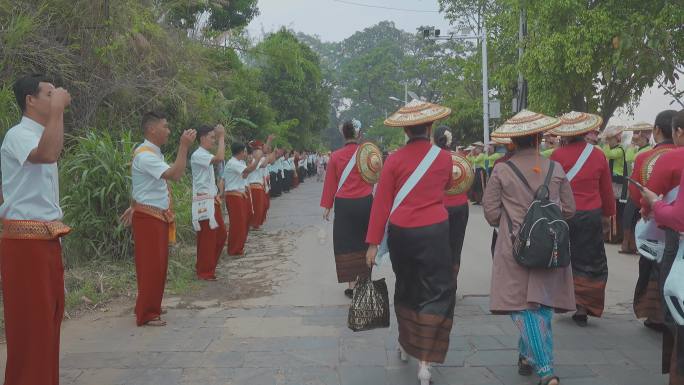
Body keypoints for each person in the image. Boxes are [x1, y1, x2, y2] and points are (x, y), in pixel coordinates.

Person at [483, 110, 575, 385]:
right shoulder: (556, 169)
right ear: (538, 139)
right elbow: (569, 209)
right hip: (551, 246)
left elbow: (490, 213)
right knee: (542, 301)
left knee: (520, 306)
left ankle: (546, 370)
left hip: (515, 246)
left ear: (513, 140)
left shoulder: (502, 169)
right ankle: (526, 355)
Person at [365, 100, 454, 385]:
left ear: (405, 129)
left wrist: (372, 244)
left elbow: (381, 204)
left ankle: (405, 343)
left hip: (402, 232)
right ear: (430, 127)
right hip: (436, 232)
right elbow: (448, 187)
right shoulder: (444, 158)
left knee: (406, 286)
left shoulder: (393, 160)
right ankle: (425, 363)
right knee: (436, 290)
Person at [0, 74, 71, 385]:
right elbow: (47, 154)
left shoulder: (42, 133)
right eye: (48, 93)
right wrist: (58, 111)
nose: (54, 97)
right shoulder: (18, 134)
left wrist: (55, 114)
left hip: (44, 238)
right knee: (32, 321)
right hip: (25, 243)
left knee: (49, 317)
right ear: (30, 100)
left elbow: (51, 149)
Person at [120, 112, 196, 327]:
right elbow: (174, 175)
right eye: (165, 126)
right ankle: (147, 313)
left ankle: (149, 304)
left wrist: (134, 204)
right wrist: (183, 147)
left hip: (153, 214)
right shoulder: (145, 156)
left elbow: (143, 185)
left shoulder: (151, 153)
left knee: (157, 264)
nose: (169, 130)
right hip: (150, 217)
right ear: (152, 130)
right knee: (151, 265)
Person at [550, 111, 615, 327]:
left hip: (564, 214)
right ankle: (583, 306)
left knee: (565, 258)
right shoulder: (598, 155)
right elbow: (606, 190)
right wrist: (608, 216)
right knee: (589, 259)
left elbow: (551, 188)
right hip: (591, 214)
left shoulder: (556, 156)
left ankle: (566, 300)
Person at [641, 109, 684, 385]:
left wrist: (652, 205)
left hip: (676, 240)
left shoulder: (664, 158)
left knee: (677, 305)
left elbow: (676, 215)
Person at [320, 119, 373, 298]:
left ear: (343, 134)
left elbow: (330, 183)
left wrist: (327, 206)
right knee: (364, 242)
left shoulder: (335, 156)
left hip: (344, 205)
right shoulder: (366, 154)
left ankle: (352, 285)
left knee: (346, 244)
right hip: (365, 202)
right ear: (359, 134)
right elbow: (374, 177)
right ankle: (365, 282)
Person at [434, 126, 470, 294]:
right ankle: (452, 285)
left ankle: (440, 285)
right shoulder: (461, 158)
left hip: (439, 208)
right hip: (460, 207)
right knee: (456, 247)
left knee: (438, 247)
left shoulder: (432, 159)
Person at [190, 124, 227, 281]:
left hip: (212, 200)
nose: (213, 140)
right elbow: (220, 158)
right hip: (204, 201)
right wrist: (221, 137)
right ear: (203, 138)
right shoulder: (198, 154)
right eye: (211, 137)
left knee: (220, 235)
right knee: (208, 238)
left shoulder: (204, 154)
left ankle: (206, 266)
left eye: (214, 137)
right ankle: (204, 271)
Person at [620, 123, 654, 254]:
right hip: (635, 186)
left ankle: (628, 244)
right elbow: (629, 160)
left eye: (637, 134)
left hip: (640, 188)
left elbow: (629, 159)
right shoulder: (640, 150)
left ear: (644, 136)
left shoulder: (646, 150)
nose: (634, 136)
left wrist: (632, 144)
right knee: (631, 216)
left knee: (631, 216)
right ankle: (630, 244)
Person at [224, 142, 262, 256]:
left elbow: (245, 175)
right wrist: (257, 159)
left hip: (240, 195)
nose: (246, 153)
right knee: (237, 224)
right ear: (241, 152)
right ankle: (234, 249)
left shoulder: (239, 162)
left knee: (244, 221)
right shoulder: (233, 163)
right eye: (245, 151)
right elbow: (248, 171)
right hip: (233, 196)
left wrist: (251, 163)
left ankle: (239, 247)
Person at [600, 125, 628, 244]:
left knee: (615, 209)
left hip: (618, 182)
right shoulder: (614, 149)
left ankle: (614, 236)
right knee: (612, 207)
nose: (608, 142)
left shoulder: (620, 150)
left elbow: (608, 154)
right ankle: (609, 235)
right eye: (608, 139)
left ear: (617, 139)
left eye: (610, 139)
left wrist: (605, 142)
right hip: (613, 180)